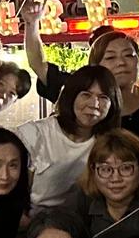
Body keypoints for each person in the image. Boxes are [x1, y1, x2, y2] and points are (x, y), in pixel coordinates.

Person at [25, 20, 139, 166]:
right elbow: (39, 66)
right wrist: (32, 23)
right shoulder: (78, 94)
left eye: (129, 55)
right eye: (110, 57)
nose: (121, 62)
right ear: (95, 66)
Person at [18, 65, 122, 210]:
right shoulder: (35, 134)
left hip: (79, 218)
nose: (94, 104)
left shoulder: (109, 144)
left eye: (103, 97)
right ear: (71, 97)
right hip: (31, 216)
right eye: (86, 95)